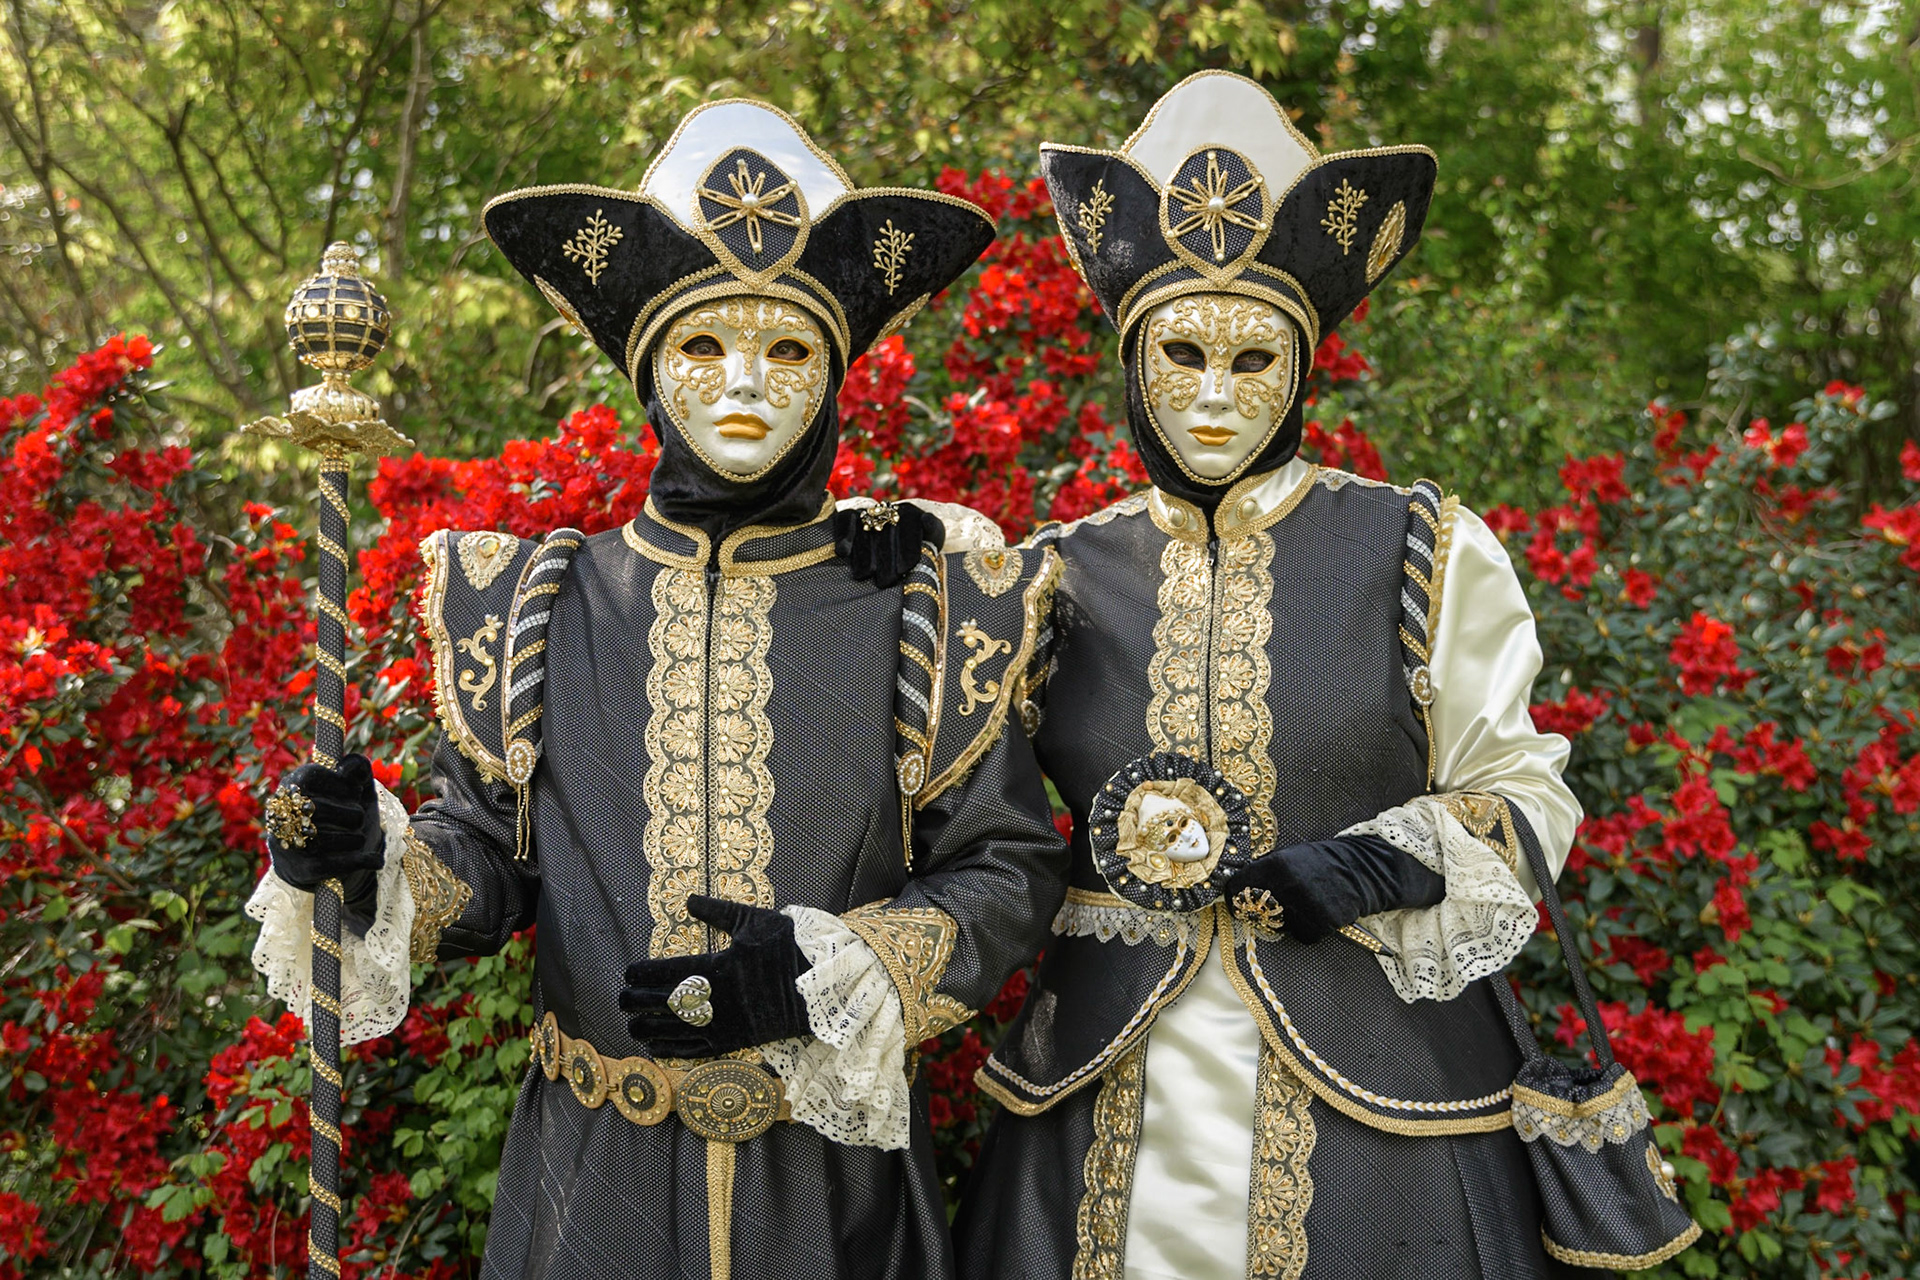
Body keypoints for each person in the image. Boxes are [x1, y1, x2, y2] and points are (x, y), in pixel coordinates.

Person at [247, 97, 1068, 1280]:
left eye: (788, 351)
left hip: (830, 1193)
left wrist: (834, 976)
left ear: (834, 378)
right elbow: (483, 853)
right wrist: (365, 858)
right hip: (594, 1187)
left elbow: (1005, 862)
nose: (746, 382)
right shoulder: (540, 601)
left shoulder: (922, 606)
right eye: (703, 349)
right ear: (648, 374)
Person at [954, 71, 1586, 1279]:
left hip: (1381, 1113)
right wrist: (888, 557)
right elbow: (962, 816)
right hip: (1098, 1094)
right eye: (1182, 352)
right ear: (1132, 358)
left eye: (1251, 360)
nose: (1212, 394)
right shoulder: (1051, 574)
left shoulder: (1424, 550)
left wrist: (1381, 861)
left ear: (1302, 369)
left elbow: (1525, 795)